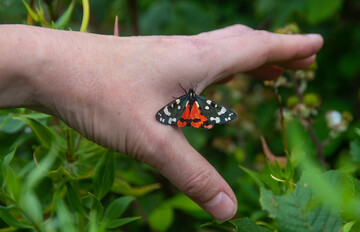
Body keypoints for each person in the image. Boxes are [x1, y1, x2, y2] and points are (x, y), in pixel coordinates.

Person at [0, 24, 323, 221]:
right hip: (190, 108)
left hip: (183, 108)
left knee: (188, 111)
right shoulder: (190, 105)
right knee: (201, 111)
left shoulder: (178, 105)